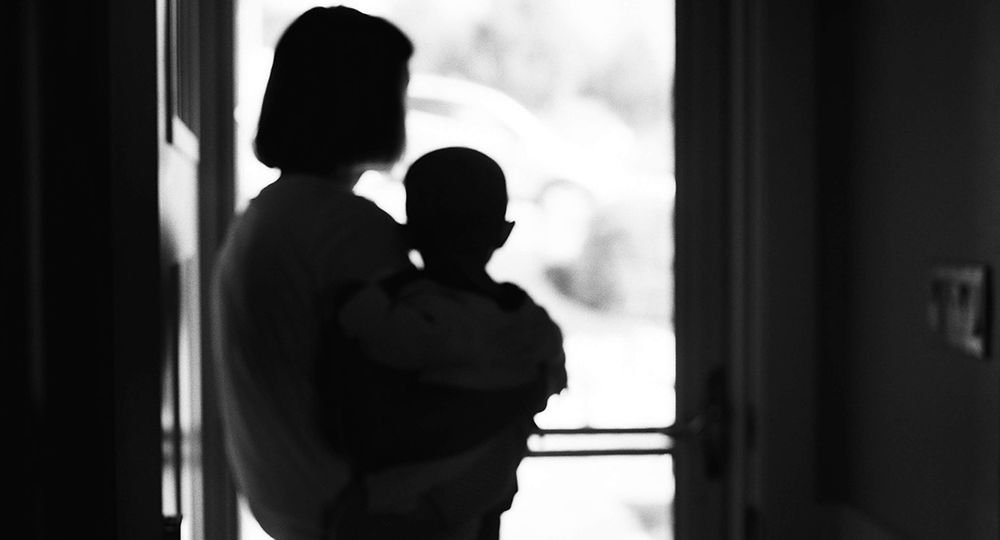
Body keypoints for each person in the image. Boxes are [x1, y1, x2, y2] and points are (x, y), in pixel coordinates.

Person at [210, 7, 415, 540]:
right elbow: (393, 386)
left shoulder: (267, 214)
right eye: (398, 89)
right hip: (353, 510)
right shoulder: (347, 227)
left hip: (288, 503)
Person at [321, 147, 567, 539]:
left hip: (405, 506)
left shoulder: (414, 313)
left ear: (408, 232)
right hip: (485, 492)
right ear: (503, 233)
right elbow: (549, 382)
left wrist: (356, 299)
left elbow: (373, 336)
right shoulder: (529, 322)